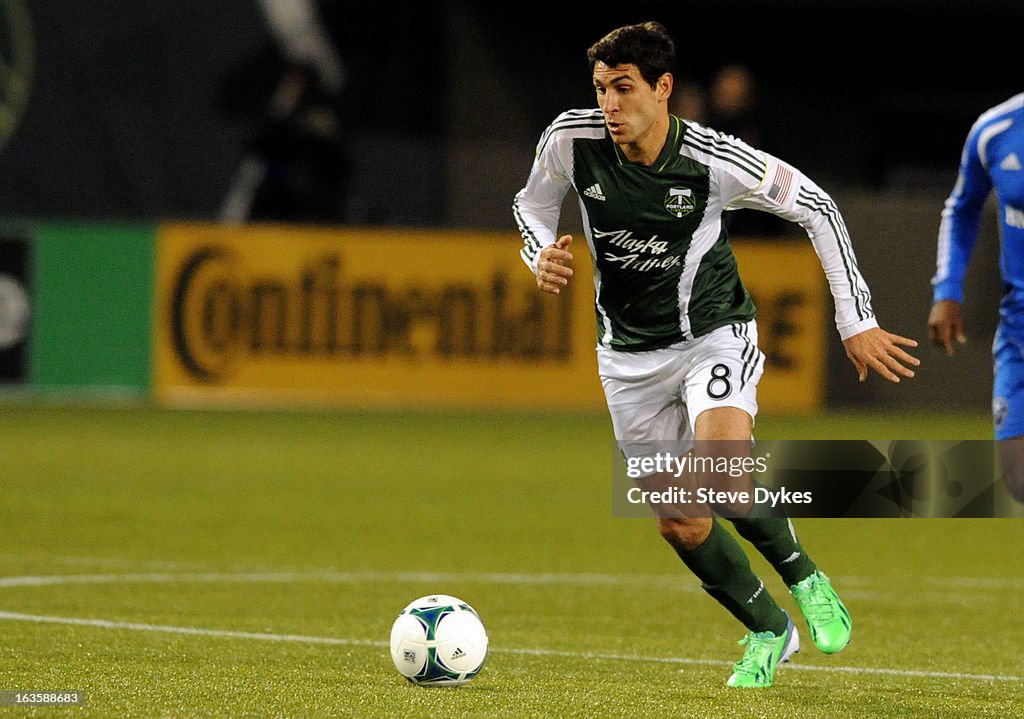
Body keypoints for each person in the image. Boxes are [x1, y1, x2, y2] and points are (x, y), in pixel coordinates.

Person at [513, 21, 919, 688]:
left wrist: (856, 320)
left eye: (623, 88)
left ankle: (804, 575)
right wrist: (540, 252)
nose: (609, 105)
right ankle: (769, 629)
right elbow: (530, 205)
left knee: (724, 476)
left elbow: (817, 206)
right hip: (626, 358)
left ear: (663, 87)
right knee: (679, 519)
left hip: (712, 334)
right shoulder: (570, 139)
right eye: (600, 89)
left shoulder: (713, 157)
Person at [928, 92, 1024, 503]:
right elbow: (962, 207)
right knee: (1018, 477)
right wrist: (947, 289)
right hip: (1019, 327)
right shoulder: (995, 130)